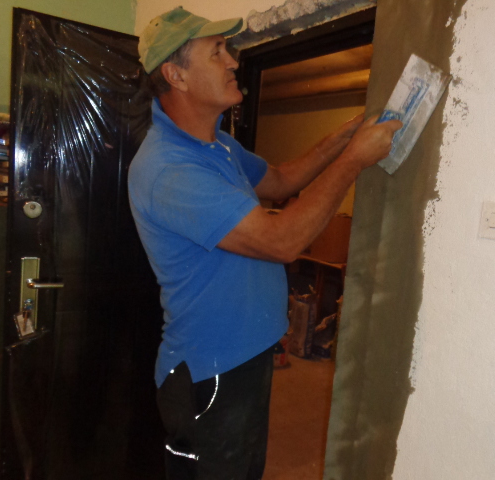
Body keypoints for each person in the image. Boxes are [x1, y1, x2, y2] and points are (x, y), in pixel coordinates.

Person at [128, 6, 402, 480]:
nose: (233, 61)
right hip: (211, 372)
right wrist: (354, 161)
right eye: (217, 52)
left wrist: (347, 136)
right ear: (176, 75)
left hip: (245, 356)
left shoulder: (218, 145)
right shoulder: (169, 169)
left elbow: (279, 180)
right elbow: (282, 241)